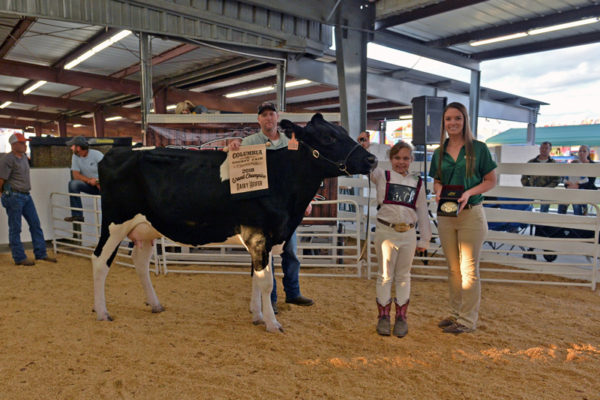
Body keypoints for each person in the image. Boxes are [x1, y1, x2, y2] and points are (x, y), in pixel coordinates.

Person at [228, 101, 314, 313]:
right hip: (261, 209)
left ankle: (293, 293)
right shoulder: (249, 142)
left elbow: (299, 174)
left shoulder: (290, 142)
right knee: (264, 253)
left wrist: (307, 200)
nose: (268, 118)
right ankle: (271, 299)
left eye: (271, 114)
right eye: (264, 115)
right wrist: (233, 147)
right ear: (258, 120)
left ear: (277, 117)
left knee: (291, 251)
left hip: (286, 207)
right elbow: (233, 162)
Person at [428, 102, 497, 335]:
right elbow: (437, 179)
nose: (453, 123)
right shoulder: (439, 152)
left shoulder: (479, 149)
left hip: (471, 215)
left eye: (457, 118)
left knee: (468, 268)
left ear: (465, 120)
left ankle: (468, 320)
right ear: (444, 123)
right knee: (453, 268)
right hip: (447, 215)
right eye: (448, 119)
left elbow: (490, 180)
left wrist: (469, 193)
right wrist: (437, 189)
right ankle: (456, 314)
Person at [363, 140, 431, 337]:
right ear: (390, 159)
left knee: (403, 275)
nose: (401, 162)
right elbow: (365, 164)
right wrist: (365, 147)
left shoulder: (417, 182)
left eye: (405, 158)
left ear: (411, 160)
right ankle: (383, 317)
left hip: (408, 233)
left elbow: (423, 212)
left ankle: (401, 317)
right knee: (384, 275)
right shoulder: (381, 176)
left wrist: (424, 239)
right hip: (386, 231)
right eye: (397, 158)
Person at [0, 133, 57, 266]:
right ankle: (20, 257)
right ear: (14, 145)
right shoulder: (8, 159)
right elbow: (1, 180)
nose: (25, 145)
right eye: (22, 143)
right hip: (14, 195)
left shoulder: (24, 157)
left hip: (24, 195)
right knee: (16, 228)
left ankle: (40, 253)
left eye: (25, 143)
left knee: (34, 224)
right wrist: (3, 195)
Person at [64, 136, 103, 222]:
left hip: (103, 185)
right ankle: (77, 215)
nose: (71, 148)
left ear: (78, 147)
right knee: (73, 184)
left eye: (72, 146)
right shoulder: (75, 157)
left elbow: (107, 172)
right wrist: (90, 180)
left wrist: (97, 181)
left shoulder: (97, 155)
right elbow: (76, 175)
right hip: (90, 185)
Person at [520, 141, 560, 212]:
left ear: (550, 149)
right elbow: (524, 177)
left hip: (547, 191)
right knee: (527, 208)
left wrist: (547, 188)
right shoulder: (531, 162)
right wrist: (528, 187)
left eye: (546, 148)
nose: (544, 149)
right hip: (532, 190)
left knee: (544, 211)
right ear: (540, 149)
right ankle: (528, 222)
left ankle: (540, 223)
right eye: (542, 148)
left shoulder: (553, 163)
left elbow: (557, 179)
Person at [557, 145, 597, 216]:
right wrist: (568, 185)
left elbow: (590, 182)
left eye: (584, 151)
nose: (581, 153)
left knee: (576, 203)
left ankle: (579, 221)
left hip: (586, 189)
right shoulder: (573, 164)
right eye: (580, 151)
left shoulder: (592, 165)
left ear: (588, 153)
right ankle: (560, 221)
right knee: (561, 202)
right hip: (571, 189)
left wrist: (577, 186)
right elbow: (567, 178)